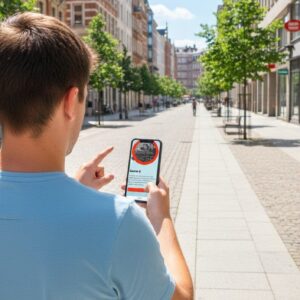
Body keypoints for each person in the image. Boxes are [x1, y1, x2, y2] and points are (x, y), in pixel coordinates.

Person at [0, 13, 193, 300]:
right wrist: (162, 219)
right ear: (70, 102)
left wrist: (73, 193)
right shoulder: (118, 221)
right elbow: (181, 297)